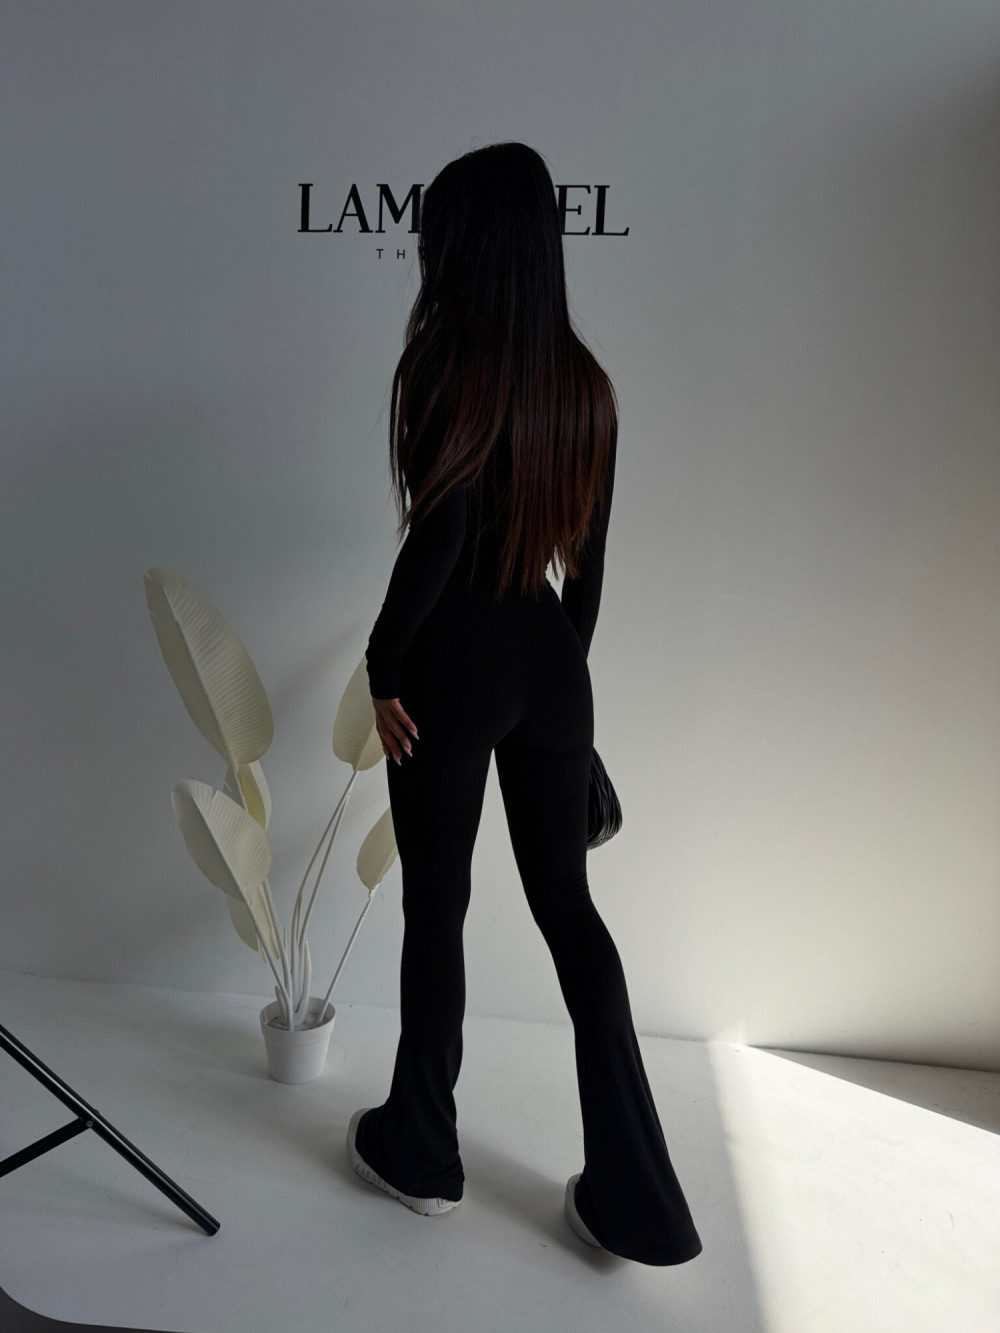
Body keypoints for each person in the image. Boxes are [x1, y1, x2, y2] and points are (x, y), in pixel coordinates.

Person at [346, 142, 702, 1267]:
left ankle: (421, 1153)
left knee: (438, 907)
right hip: (554, 660)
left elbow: (441, 536)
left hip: (453, 662)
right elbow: (585, 573)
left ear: (468, 247)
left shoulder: (446, 367)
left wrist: (381, 663)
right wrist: (561, 692)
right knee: (572, 914)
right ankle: (638, 1200)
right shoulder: (585, 385)